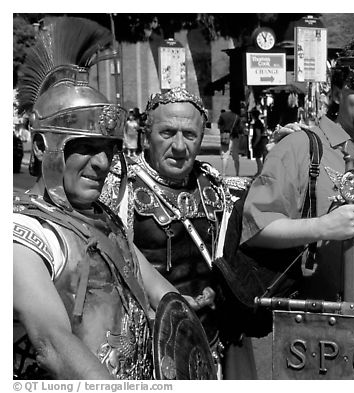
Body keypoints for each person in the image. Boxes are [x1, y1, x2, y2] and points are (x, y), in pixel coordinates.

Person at [12, 17, 193, 380]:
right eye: (85, 148)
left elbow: (165, 297)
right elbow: (52, 344)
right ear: (44, 147)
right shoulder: (22, 235)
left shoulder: (104, 220)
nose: (101, 163)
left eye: (108, 149)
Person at [101, 87, 256, 379]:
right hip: (149, 346)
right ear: (146, 134)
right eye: (168, 133)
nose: (180, 146)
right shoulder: (121, 187)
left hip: (212, 342)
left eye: (190, 135)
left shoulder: (215, 185)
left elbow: (263, 212)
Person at [241, 36, 354, 304]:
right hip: (320, 326)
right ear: (337, 93)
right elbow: (255, 229)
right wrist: (322, 227)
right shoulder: (300, 146)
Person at [217, 107, 241, 176]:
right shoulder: (237, 116)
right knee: (236, 156)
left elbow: (219, 125)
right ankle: (237, 173)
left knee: (225, 155)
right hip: (235, 137)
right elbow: (240, 128)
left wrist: (222, 132)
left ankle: (224, 173)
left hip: (225, 136)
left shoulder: (223, 115)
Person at [250, 108, 268, 176]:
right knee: (259, 157)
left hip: (258, 142)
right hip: (260, 141)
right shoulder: (259, 122)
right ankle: (260, 171)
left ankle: (260, 171)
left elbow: (258, 134)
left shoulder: (257, 123)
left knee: (258, 157)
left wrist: (255, 143)